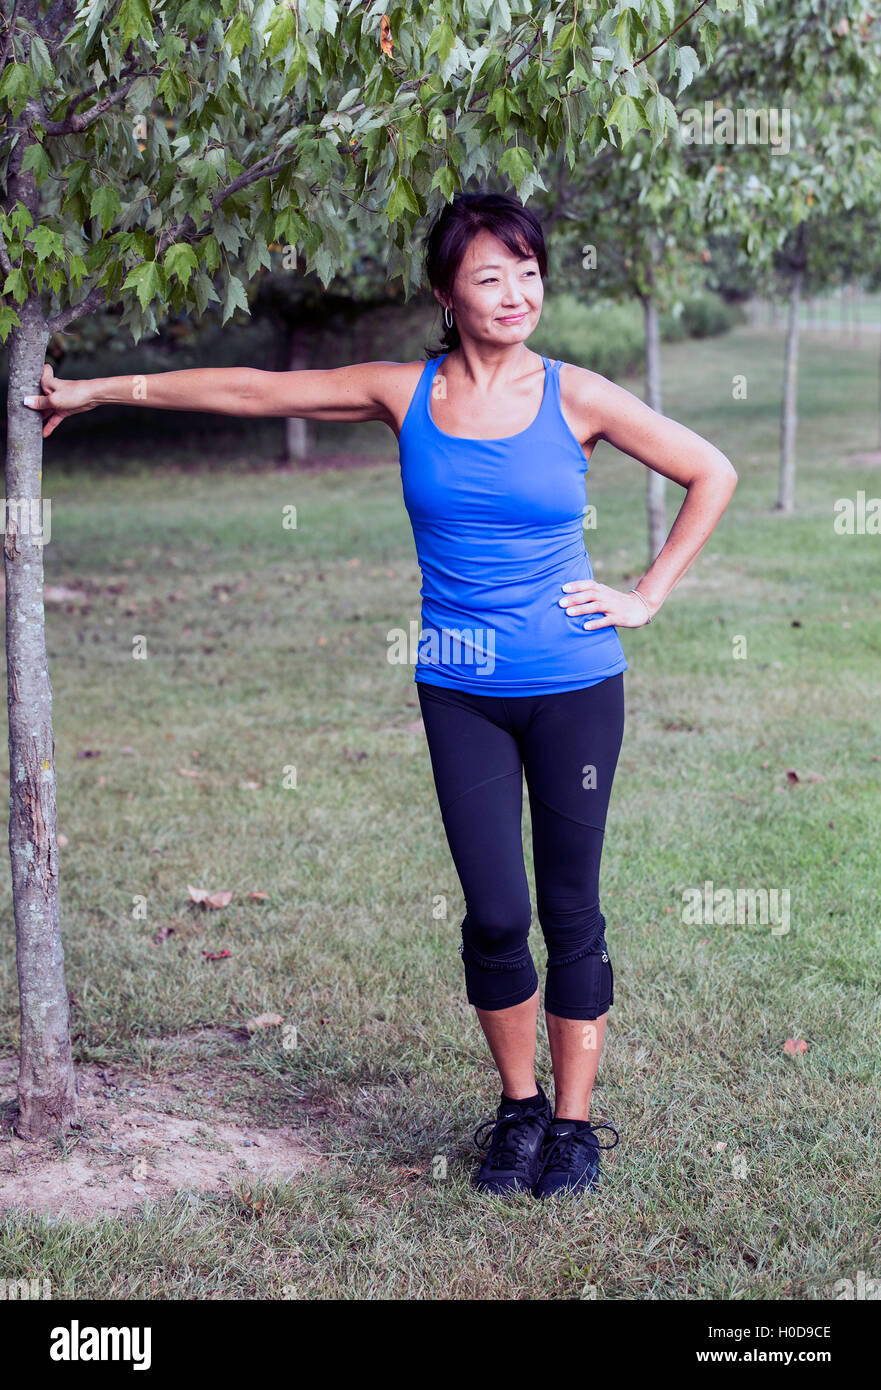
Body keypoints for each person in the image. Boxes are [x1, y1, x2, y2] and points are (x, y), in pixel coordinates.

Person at [23, 190, 737, 1200]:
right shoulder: (405, 392)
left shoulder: (575, 396)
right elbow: (251, 392)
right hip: (459, 691)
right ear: (445, 292)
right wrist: (98, 392)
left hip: (576, 683)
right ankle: (519, 1107)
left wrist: (647, 593)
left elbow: (711, 470)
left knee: (569, 907)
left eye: (527, 271)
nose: (515, 291)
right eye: (490, 275)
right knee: (495, 914)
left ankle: (575, 1128)